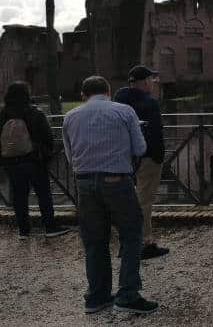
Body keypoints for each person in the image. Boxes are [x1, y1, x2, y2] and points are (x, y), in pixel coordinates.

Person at [63, 76, 157, 315]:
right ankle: (127, 294)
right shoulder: (124, 111)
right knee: (131, 234)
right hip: (116, 180)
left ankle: (97, 297)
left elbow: (69, 155)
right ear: (108, 91)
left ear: (83, 95)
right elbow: (140, 148)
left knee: (94, 241)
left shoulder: (70, 117)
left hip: (84, 183)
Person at [113, 65, 169, 260]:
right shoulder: (150, 103)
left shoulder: (118, 101)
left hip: (125, 158)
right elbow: (155, 133)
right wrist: (159, 156)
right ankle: (143, 243)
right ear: (145, 81)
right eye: (152, 80)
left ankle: (127, 241)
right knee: (144, 201)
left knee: (128, 201)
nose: (154, 83)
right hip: (147, 157)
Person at [0, 81, 69, 240]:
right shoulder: (35, 113)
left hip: (11, 161)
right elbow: (47, 138)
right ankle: (50, 227)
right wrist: (46, 155)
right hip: (33, 160)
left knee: (19, 196)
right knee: (43, 194)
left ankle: (23, 231)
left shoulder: (3, 115)